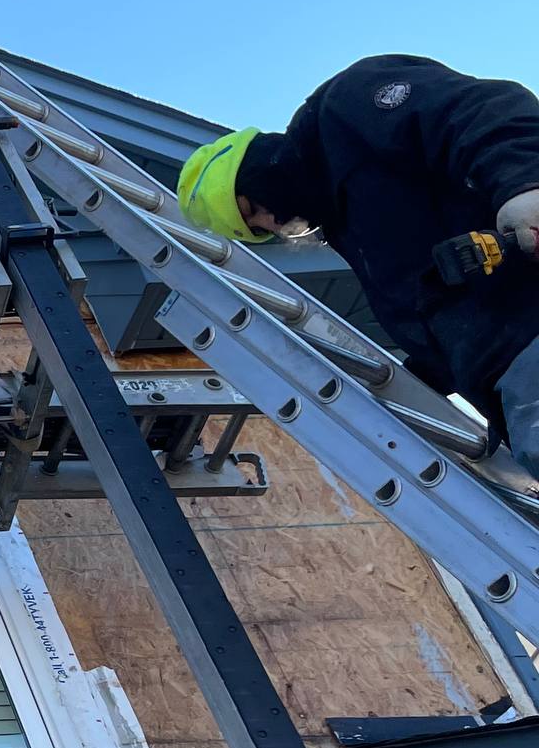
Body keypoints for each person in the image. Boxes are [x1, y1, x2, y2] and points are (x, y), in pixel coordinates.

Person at [176, 54, 539, 476]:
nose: (273, 223)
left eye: (252, 208)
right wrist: (412, 387)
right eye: (259, 230)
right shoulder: (353, 234)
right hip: (511, 389)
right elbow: (440, 312)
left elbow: (483, 109)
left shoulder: (345, 108)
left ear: (255, 168)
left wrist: (524, 187)